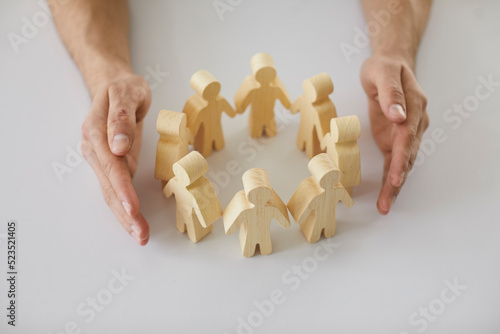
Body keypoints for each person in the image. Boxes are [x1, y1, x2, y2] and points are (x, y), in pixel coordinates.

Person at [51, 0, 431, 245]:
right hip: (206, 141)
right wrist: (107, 72)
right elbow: (239, 110)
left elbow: (303, 193)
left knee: (301, 140)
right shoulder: (221, 115)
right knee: (210, 141)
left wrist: (393, 50)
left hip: (300, 146)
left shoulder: (284, 112)